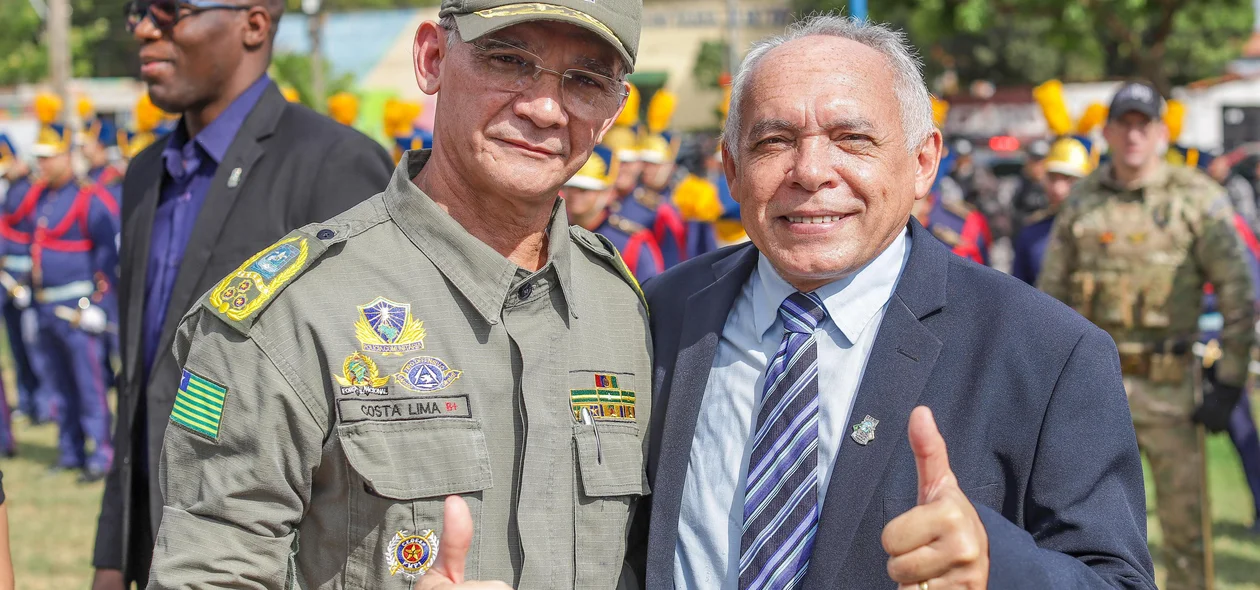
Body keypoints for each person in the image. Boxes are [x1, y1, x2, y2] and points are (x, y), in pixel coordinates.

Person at [636, 15, 1155, 589]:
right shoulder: (662, 313)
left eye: (852, 139)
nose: (810, 172)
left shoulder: (1049, 353)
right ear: (731, 169)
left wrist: (999, 565)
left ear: (923, 163)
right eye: (773, 141)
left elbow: (1118, 580)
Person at [146, 1, 650, 588]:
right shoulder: (291, 315)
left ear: (613, 111)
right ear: (432, 58)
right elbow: (208, 573)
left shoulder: (622, 308)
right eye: (510, 59)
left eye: (586, 81)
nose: (544, 109)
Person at [91, 0, 394, 587]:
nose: (144, 29)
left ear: (254, 23)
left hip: (268, 555)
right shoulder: (145, 172)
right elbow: (142, 386)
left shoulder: (335, 164)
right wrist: (113, 553)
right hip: (157, 541)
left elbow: (368, 403)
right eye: (136, 11)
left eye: (169, 9)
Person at [1038, 81, 1255, 590]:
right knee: (1084, 531)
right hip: (1095, 393)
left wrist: (1228, 382)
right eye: (1124, 124)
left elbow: (1237, 295)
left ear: (1160, 132)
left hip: (1173, 390)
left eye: (1144, 124)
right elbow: (1049, 302)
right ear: (1108, 131)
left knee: (1186, 534)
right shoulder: (1082, 202)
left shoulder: (1197, 198)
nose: (1134, 135)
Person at [6, 110, 120, 483]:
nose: (41, 162)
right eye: (38, 156)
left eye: (48, 155)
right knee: (59, 385)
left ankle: (102, 455)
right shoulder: (40, 198)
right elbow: (31, 244)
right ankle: (71, 451)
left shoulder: (89, 199)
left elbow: (108, 259)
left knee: (89, 387)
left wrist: (102, 307)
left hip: (78, 309)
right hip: (44, 306)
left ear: (67, 156)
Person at [563, 146, 665, 281]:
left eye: (584, 190)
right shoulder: (552, 230)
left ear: (608, 193)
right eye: (570, 187)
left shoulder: (631, 243)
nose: (574, 195)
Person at [1011, 137, 1092, 285]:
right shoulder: (1031, 233)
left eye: (1068, 178)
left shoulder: (1100, 229)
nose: (1058, 188)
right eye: (1052, 177)